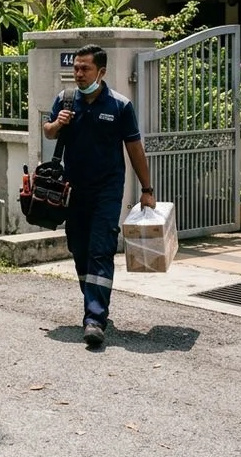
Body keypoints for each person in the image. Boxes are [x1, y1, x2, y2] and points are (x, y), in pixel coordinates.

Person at [42, 44, 156, 348]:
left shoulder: (120, 106)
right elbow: (48, 131)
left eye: (85, 69)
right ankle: (94, 298)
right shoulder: (65, 100)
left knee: (100, 249)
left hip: (107, 190)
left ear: (101, 72)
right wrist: (57, 123)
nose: (78, 74)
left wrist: (147, 190)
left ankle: (94, 318)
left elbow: (135, 149)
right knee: (79, 248)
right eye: (76, 68)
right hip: (72, 190)